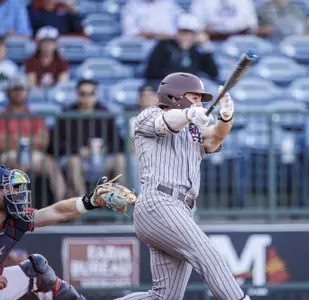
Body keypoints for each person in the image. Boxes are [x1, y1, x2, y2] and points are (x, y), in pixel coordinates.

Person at [116, 73, 250, 300]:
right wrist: (189, 113)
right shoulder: (149, 115)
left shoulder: (193, 130)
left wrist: (226, 118)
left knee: (164, 298)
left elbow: (215, 138)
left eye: (201, 99)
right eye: (194, 97)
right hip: (158, 202)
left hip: (182, 210)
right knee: (209, 255)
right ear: (175, 96)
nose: (199, 102)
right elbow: (167, 123)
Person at [0, 164, 113, 299]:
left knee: (38, 272)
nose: (15, 192)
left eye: (14, 188)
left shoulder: (15, 219)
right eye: (7, 188)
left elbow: (57, 212)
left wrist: (91, 201)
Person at [51, 79, 126, 196]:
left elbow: (117, 141)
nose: (87, 98)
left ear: (96, 95)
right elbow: (56, 143)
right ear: (77, 94)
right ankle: (84, 205)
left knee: (120, 160)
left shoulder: (105, 113)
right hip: (78, 160)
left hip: (102, 158)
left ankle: (118, 203)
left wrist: (105, 149)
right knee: (73, 162)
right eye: (83, 94)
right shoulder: (66, 113)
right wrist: (78, 151)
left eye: (91, 94)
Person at [0, 75, 66, 202]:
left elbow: (44, 140)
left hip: (33, 154)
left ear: (27, 92)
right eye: (15, 89)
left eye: (22, 89)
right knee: (14, 167)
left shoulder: (34, 115)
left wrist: (15, 139)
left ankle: (61, 205)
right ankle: (17, 209)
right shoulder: (2, 116)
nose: (18, 93)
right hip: (8, 154)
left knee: (51, 165)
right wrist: (29, 140)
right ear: (8, 93)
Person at [144, 13, 218, 83]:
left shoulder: (198, 50)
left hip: (191, 89)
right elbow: (152, 71)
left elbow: (213, 73)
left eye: (190, 33)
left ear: (195, 35)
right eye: (183, 33)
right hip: (166, 86)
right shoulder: (164, 46)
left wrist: (206, 47)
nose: (186, 37)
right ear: (177, 33)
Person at [190, 0, 258, 41]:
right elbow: (195, 22)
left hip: (240, 39)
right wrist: (203, 27)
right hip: (214, 39)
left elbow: (252, 24)